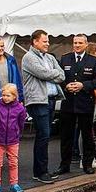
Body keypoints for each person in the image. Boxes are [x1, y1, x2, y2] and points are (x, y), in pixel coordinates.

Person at [55, 34, 96, 176]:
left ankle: (87, 164)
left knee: (87, 136)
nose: (77, 45)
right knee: (66, 136)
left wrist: (84, 85)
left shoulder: (93, 61)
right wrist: (65, 85)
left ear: (86, 44)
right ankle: (64, 165)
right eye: (75, 42)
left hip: (85, 103)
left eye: (80, 43)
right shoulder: (65, 58)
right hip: (68, 103)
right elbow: (58, 78)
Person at [22, 29, 65, 184]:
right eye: (45, 41)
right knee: (44, 135)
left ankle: (40, 171)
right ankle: (41, 172)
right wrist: (52, 73)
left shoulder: (49, 57)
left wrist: (51, 72)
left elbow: (62, 75)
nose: (48, 43)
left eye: (48, 41)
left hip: (51, 100)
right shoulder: (28, 57)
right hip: (38, 101)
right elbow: (43, 74)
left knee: (45, 136)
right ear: (35, 41)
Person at [0, 83, 26, 192]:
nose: (5, 97)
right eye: (3, 95)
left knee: (13, 162)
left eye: (8, 95)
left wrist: (17, 132)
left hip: (13, 140)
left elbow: (21, 123)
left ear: (14, 96)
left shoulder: (20, 108)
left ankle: (14, 184)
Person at [72, 42, 96, 169]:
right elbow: (95, 82)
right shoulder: (91, 65)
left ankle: (89, 157)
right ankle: (86, 158)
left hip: (90, 100)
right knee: (86, 131)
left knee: (86, 130)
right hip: (89, 100)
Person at [0, 36, 24, 102]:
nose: (0, 48)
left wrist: (21, 98)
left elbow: (18, 80)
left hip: (11, 98)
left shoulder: (11, 60)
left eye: (2, 46)